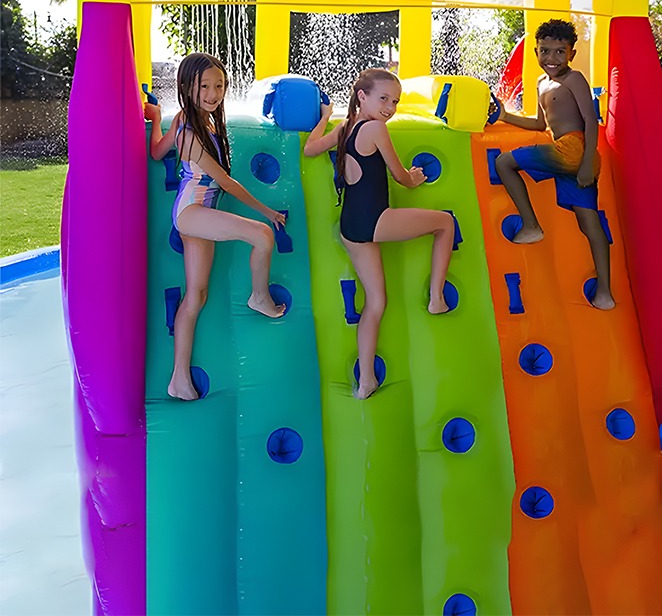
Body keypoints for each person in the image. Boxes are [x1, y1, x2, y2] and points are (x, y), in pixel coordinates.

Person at [304, 68, 455, 399]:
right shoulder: (375, 129)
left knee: (376, 302)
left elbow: (310, 149)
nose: (390, 107)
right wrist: (415, 178)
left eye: (395, 102)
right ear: (362, 96)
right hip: (376, 220)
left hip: (351, 228)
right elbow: (400, 177)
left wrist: (326, 116)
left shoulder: (345, 127)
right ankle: (436, 299)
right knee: (445, 224)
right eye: (384, 99)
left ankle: (367, 381)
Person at [145, 52, 287, 400]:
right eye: (204, 86)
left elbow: (157, 152)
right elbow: (224, 182)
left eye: (219, 86)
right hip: (192, 212)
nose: (213, 93)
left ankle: (179, 379)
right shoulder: (191, 131)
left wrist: (157, 118)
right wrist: (267, 211)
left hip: (199, 212)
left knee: (197, 295)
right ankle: (259, 297)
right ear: (187, 87)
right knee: (263, 234)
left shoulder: (197, 120)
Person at [495, 19, 615, 310]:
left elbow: (590, 121)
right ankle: (604, 294)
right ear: (535, 51)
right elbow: (540, 124)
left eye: (560, 52)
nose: (552, 58)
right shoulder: (541, 83)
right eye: (545, 51)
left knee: (504, 162)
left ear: (572, 53)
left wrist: (586, 163)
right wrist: (505, 116)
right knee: (588, 222)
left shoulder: (574, 79)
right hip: (567, 155)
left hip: (575, 151)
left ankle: (531, 225)